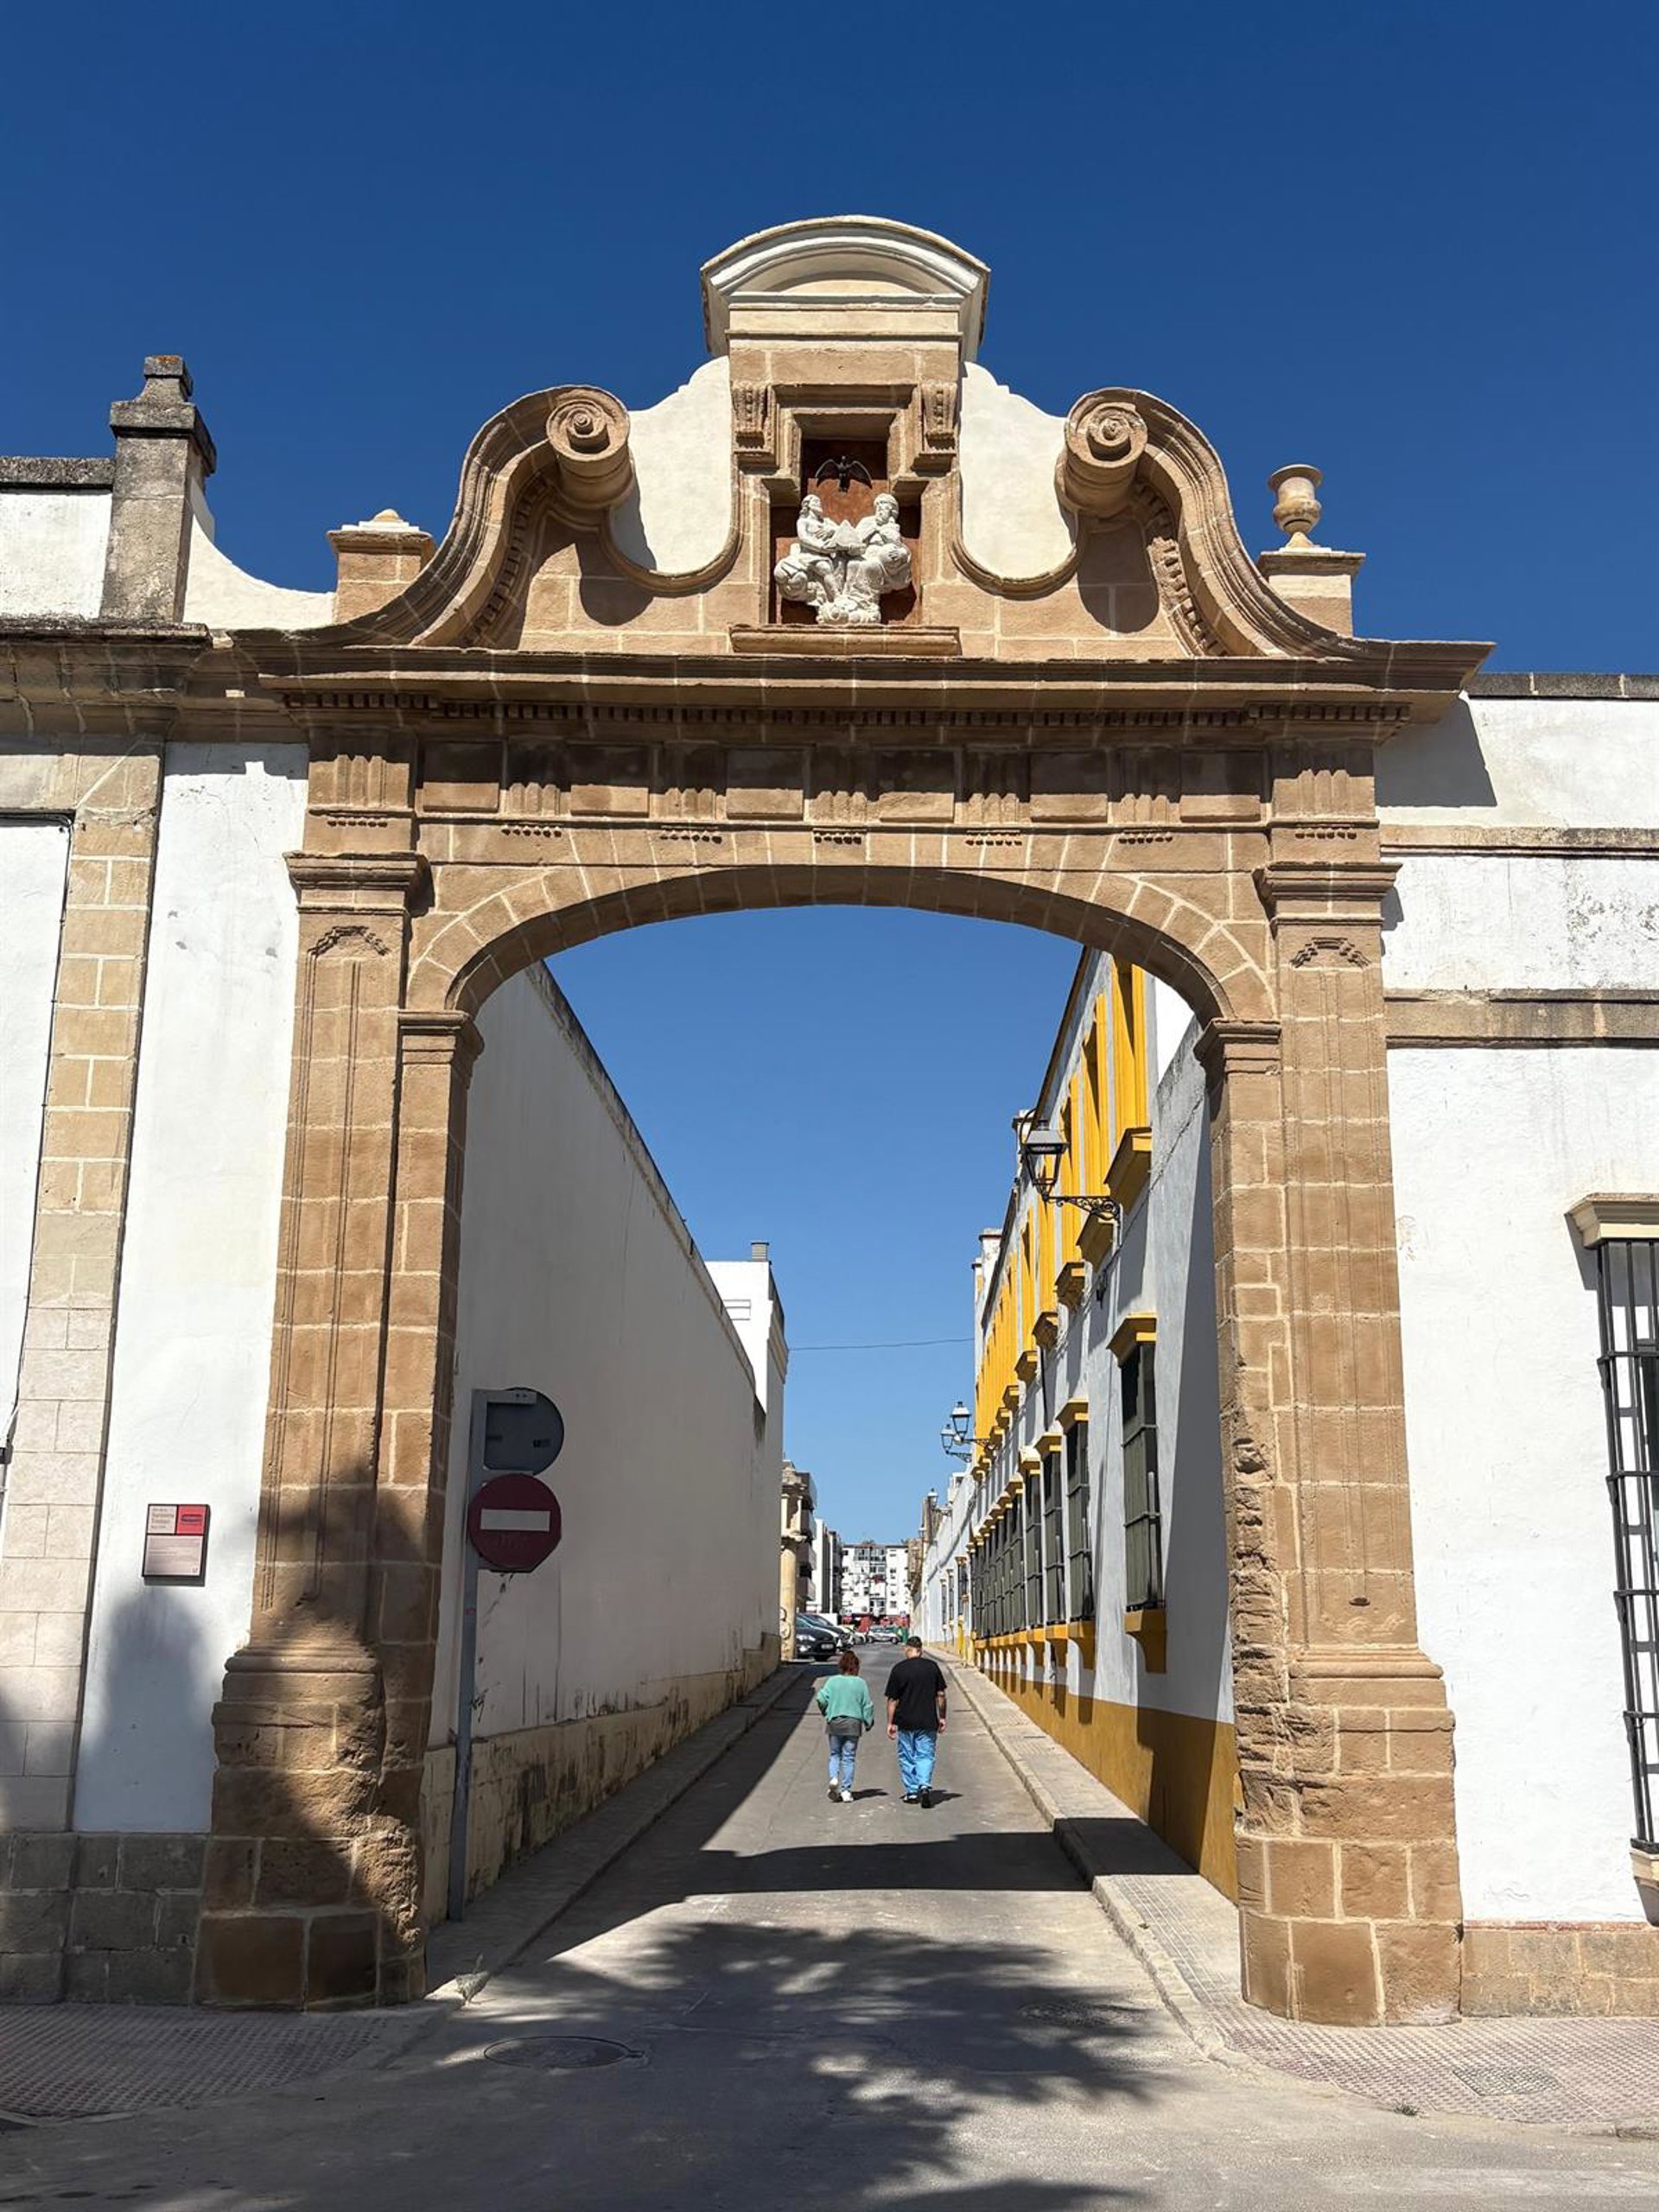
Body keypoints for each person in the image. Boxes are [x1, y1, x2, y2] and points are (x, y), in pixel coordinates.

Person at [884, 1634, 947, 1807]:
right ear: (921, 1650)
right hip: (928, 1720)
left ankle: (912, 1792)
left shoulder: (899, 1669)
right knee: (925, 1754)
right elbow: (941, 1695)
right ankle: (924, 1785)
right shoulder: (932, 1667)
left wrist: (890, 1722)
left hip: (905, 1721)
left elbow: (892, 1700)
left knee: (907, 1756)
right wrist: (942, 1717)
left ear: (907, 1649)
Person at [815, 1648, 874, 1802]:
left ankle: (834, 1778)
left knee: (835, 1754)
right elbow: (867, 1705)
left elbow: (821, 1698)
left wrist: (826, 1712)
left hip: (835, 1721)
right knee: (849, 1757)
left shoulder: (832, 1681)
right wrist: (868, 1722)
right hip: (853, 1724)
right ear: (856, 1667)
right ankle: (846, 1790)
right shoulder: (860, 1683)